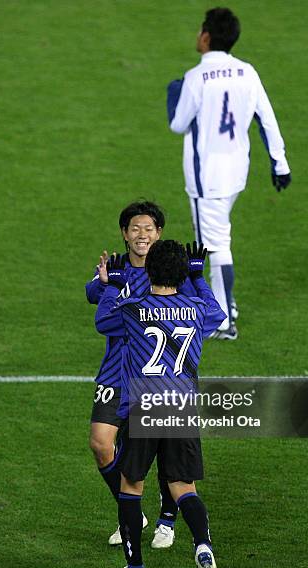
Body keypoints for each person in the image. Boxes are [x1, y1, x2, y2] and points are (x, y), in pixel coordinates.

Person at [95, 240, 226, 568]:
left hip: (145, 405)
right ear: (183, 273)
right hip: (181, 405)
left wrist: (114, 286)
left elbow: (103, 322)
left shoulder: (135, 307)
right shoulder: (198, 308)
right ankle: (202, 544)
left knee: (130, 485)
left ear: (149, 270)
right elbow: (218, 315)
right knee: (184, 487)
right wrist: (198, 278)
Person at [167, 7, 291, 340]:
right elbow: (266, 118)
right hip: (237, 172)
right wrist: (280, 163)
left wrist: (173, 93)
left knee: (215, 244)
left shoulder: (195, 78)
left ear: (206, 37)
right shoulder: (247, 72)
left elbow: (178, 124)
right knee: (213, 237)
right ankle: (222, 305)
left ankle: (222, 318)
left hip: (207, 177)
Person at [86, 200, 196, 549]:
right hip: (115, 374)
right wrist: (106, 280)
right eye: (135, 228)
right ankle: (130, 511)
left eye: (149, 228)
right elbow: (91, 291)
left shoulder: (170, 270)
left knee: (165, 451)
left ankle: (167, 519)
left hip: (156, 378)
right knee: (101, 443)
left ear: (159, 233)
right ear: (124, 233)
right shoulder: (116, 269)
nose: (142, 234)